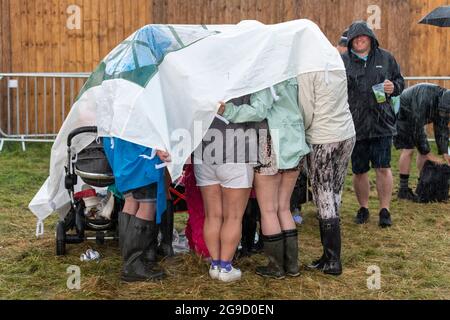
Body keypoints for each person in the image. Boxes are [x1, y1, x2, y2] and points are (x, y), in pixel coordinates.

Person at [219, 78, 310, 279]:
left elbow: (258, 111)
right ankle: (291, 266)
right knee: (284, 207)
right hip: (294, 142)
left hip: (270, 143)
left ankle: (276, 267)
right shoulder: (293, 75)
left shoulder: (267, 77)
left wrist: (228, 110)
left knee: (269, 210)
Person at [342, 21, 405, 228]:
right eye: (355, 38)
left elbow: (400, 82)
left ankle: (384, 210)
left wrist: (393, 87)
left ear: (370, 38)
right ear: (350, 41)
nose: (360, 40)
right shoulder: (343, 61)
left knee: (383, 167)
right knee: (359, 171)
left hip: (381, 125)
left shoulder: (386, 58)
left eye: (364, 36)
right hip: (355, 124)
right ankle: (364, 207)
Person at [296, 65, 356, 276]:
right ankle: (329, 255)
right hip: (346, 132)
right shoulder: (336, 63)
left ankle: (332, 259)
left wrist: (300, 131)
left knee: (323, 195)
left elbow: (305, 108)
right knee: (335, 191)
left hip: (322, 136)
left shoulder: (306, 69)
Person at [194, 95, 257, 283]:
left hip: (204, 149)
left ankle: (215, 265)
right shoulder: (245, 76)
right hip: (236, 150)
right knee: (233, 217)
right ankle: (225, 267)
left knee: (212, 215)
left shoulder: (202, 75)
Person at [104, 137, 170, 282]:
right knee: (147, 205)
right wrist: (157, 146)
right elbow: (142, 122)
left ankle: (130, 260)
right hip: (141, 153)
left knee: (131, 201)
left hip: (121, 149)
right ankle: (133, 264)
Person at [394, 83, 450, 201]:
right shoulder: (425, 99)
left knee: (423, 150)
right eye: (442, 112)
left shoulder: (446, 104)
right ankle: (403, 190)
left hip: (418, 118)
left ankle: (424, 185)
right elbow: (417, 127)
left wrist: (445, 152)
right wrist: (427, 153)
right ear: (440, 103)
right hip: (404, 112)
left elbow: (442, 129)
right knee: (409, 149)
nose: (443, 115)